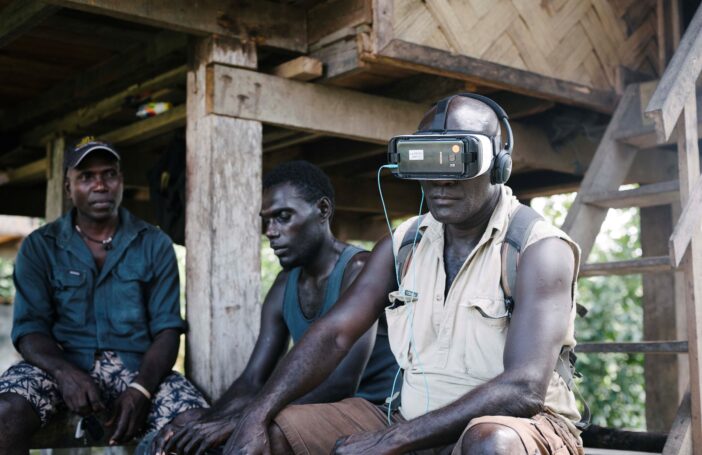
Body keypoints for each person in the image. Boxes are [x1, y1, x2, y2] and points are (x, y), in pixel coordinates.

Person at [220, 95, 585, 455]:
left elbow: (524, 388)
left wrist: (392, 440)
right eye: (426, 163)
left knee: (491, 444)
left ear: (498, 165)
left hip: (521, 427)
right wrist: (256, 413)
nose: (440, 182)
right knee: (274, 430)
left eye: (457, 163)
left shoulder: (539, 249)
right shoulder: (404, 244)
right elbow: (334, 335)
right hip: (409, 420)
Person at [148, 160, 399, 454]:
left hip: (374, 412)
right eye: (266, 221)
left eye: (283, 217)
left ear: (322, 210)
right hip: (311, 413)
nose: (271, 231)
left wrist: (243, 419)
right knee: (187, 433)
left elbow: (341, 382)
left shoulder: (359, 268)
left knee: (258, 436)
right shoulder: (283, 286)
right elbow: (252, 379)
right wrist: (207, 418)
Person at [0, 139, 207, 455]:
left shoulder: (154, 244)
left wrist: (141, 388)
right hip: (59, 366)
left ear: (121, 181)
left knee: (196, 426)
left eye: (109, 174)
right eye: (86, 176)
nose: (100, 184)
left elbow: (167, 331)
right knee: (4, 414)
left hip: (138, 370)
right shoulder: (41, 246)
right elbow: (29, 331)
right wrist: (63, 372)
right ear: (69, 187)